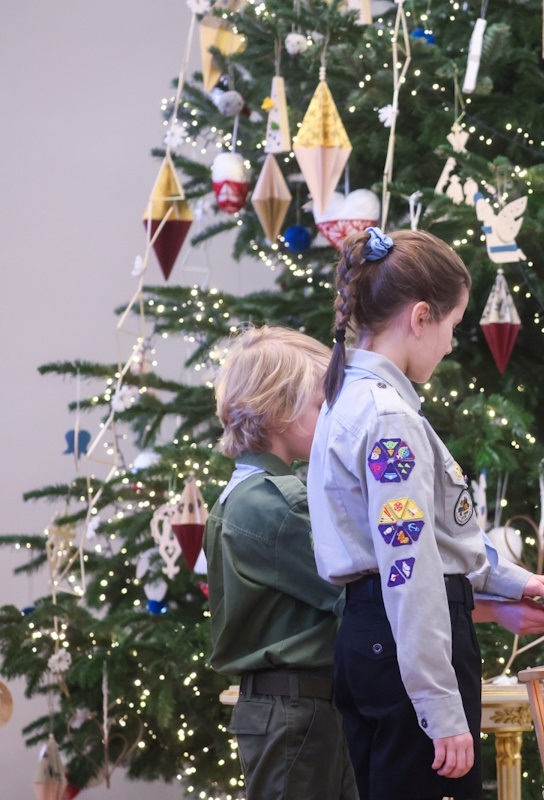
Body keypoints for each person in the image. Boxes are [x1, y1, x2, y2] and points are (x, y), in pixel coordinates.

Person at [307, 226, 544, 800]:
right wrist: (439, 705)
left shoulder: (344, 398)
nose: (451, 346)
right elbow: (410, 568)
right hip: (409, 647)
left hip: (371, 637)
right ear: (421, 317)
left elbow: (427, 538)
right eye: (452, 326)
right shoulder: (390, 418)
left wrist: (511, 580)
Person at [204, 325, 358, 800]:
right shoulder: (281, 503)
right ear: (278, 410)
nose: (331, 416)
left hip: (286, 708)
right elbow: (355, 592)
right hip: (299, 711)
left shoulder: (238, 496)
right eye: (320, 404)